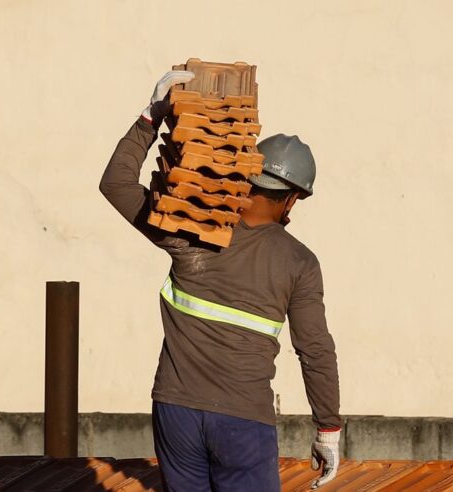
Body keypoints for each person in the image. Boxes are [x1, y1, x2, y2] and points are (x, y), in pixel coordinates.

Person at [100, 70, 341, 491]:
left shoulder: (189, 228)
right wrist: (328, 430)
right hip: (243, 423)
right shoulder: (299, 263)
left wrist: (151, 116)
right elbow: (315, 350)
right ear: (291, 197)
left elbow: (116, 184)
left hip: (175, 412)